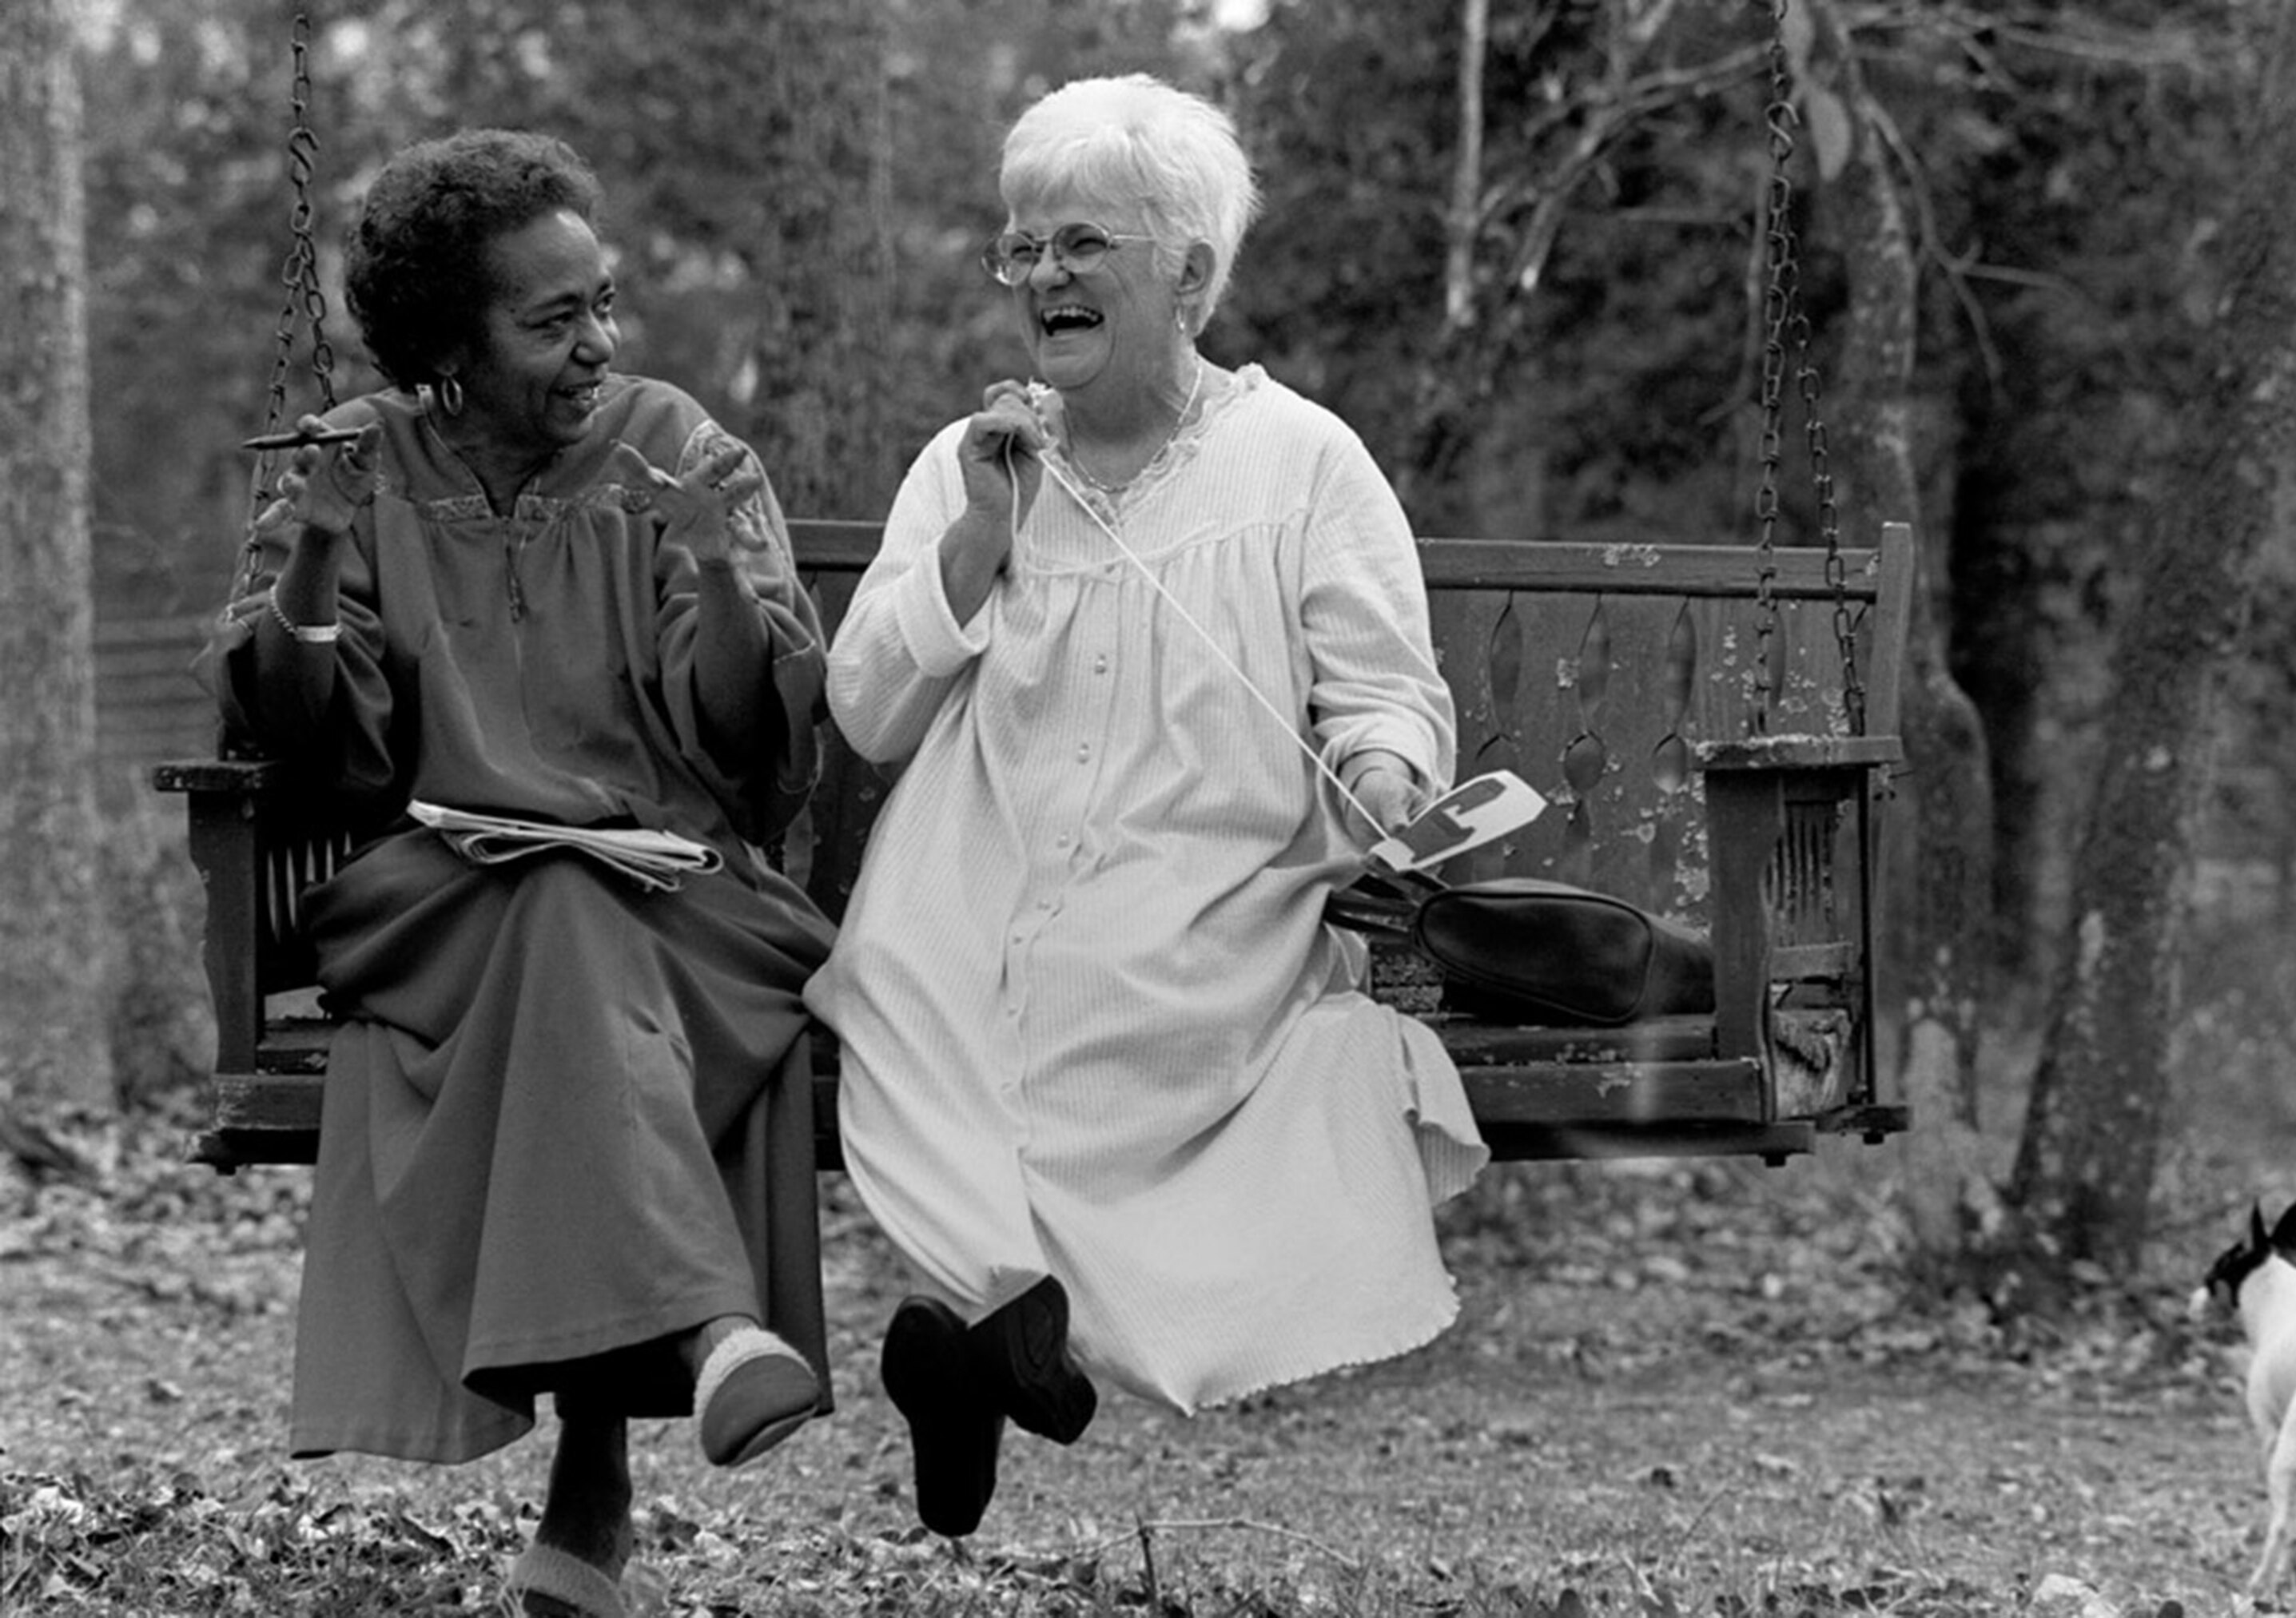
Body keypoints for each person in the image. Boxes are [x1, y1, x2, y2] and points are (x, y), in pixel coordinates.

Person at [804, 74, 1490, 1539]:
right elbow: (867, 711)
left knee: (1126, 1008)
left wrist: (1385, 783)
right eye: (1023, 244)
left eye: (1081, 244)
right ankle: (1005, 1338)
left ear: (1189, 271)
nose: (1041, 274)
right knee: (926, 995)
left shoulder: (1304, 462)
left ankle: (985, 1339)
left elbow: (1384, 695)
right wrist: (981, 535)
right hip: (964, 887)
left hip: (1199, 899)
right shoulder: (966, 464)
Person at [200, 129, 834, 1618]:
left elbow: (749, 742)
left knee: (575, 919)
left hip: (677, 903)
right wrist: (317, 552)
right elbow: (298, 731)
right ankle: (703, 1341)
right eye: (553, 321)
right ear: (450, 350)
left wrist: (722, 574)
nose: (600, 342)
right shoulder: (359, 461)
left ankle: (603, 1474)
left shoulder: (672, 442)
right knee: (551, 911)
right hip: (447, 907)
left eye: (601, 303)